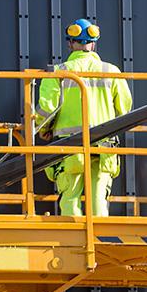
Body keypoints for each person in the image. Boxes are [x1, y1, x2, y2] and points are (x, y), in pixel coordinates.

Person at [35, 18, 134, 217]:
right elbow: (125, 109)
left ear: (70, 43)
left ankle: (72, 241)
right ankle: (98, 238)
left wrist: (44, 130)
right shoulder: (111, 71)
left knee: (70, 198)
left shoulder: (58, 72)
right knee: (98, 198)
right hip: (104, 146)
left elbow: (46, 109)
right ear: (93, 43)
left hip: (69, 146)